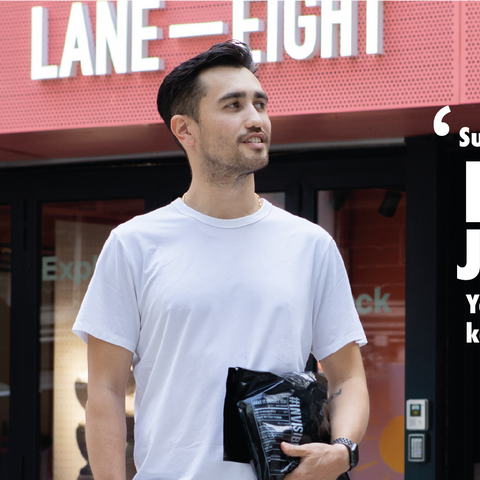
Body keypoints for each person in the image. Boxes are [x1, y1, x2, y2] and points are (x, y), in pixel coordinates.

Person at [73, 40, 369, 480]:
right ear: (184, 129)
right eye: (233, 105)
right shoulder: (133, 244)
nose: (256, 119)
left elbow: (348, 378)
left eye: (260, 104)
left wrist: (342, 450)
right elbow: (106, 391)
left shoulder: (310, 245)